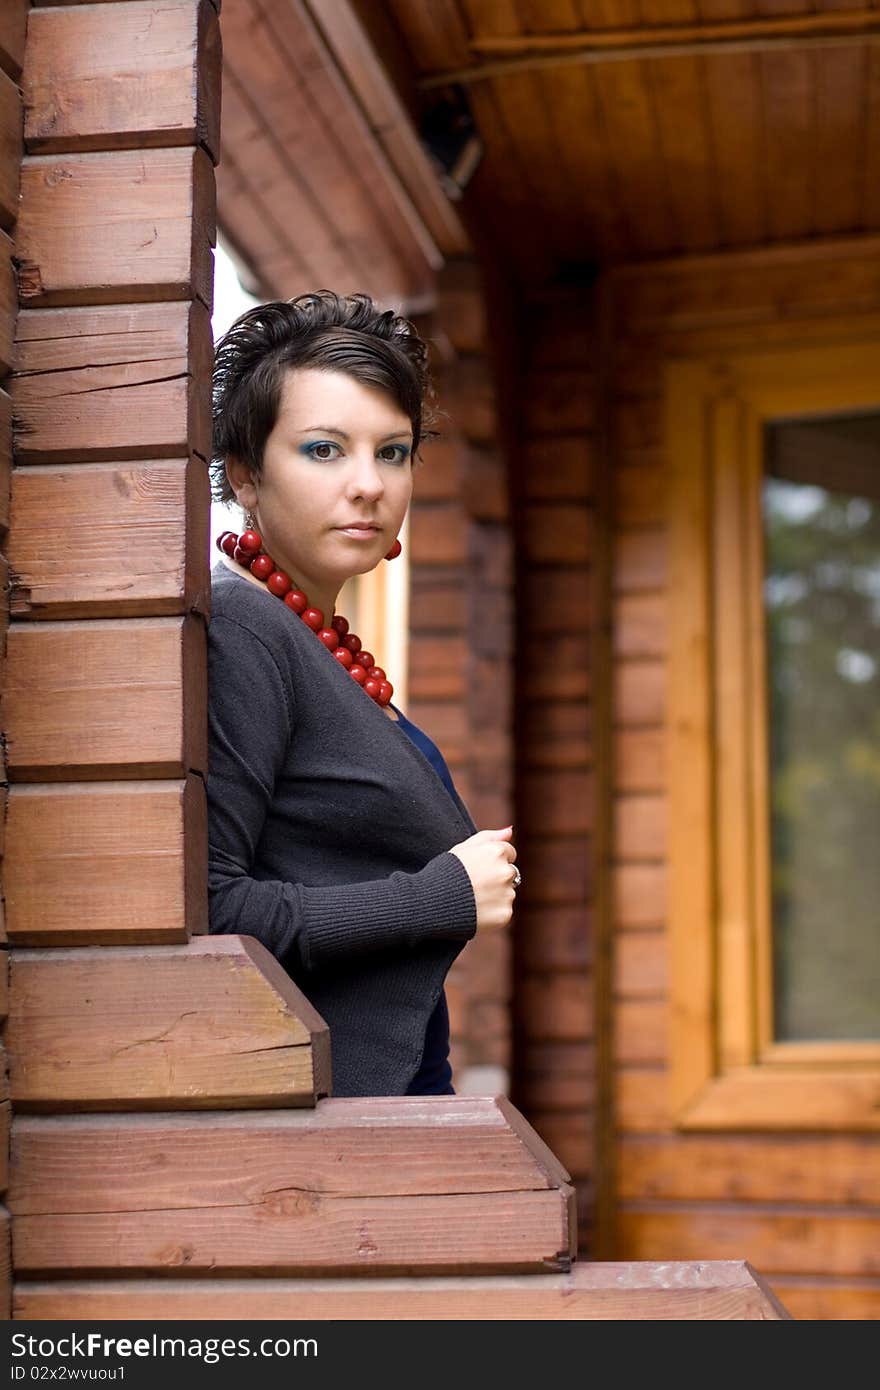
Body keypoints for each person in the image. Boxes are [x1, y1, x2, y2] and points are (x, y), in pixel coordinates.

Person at [206, 291, 519, 1097]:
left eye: (393, 451)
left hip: (391, 1095)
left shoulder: (312, 638)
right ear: (244, 472)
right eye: (323, 450)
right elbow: (212, 910)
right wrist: (437, 897)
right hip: (323, 1123)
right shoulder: (242, 627)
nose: (368, 485)